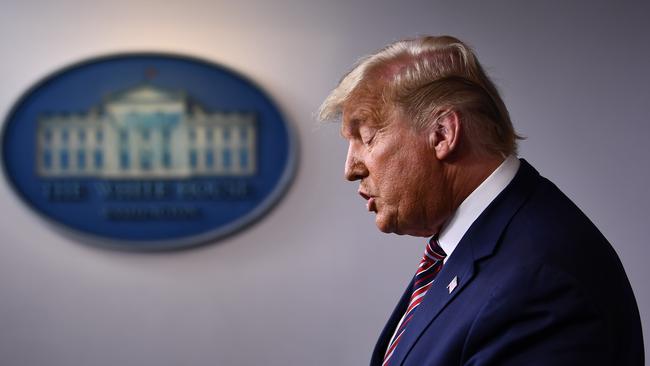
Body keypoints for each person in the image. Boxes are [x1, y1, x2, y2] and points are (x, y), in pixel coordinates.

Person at [318, 35, 644, 365]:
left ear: (443, 134)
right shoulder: (482, 247)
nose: (350, 169)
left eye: (367, 138)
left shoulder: (540, 281)